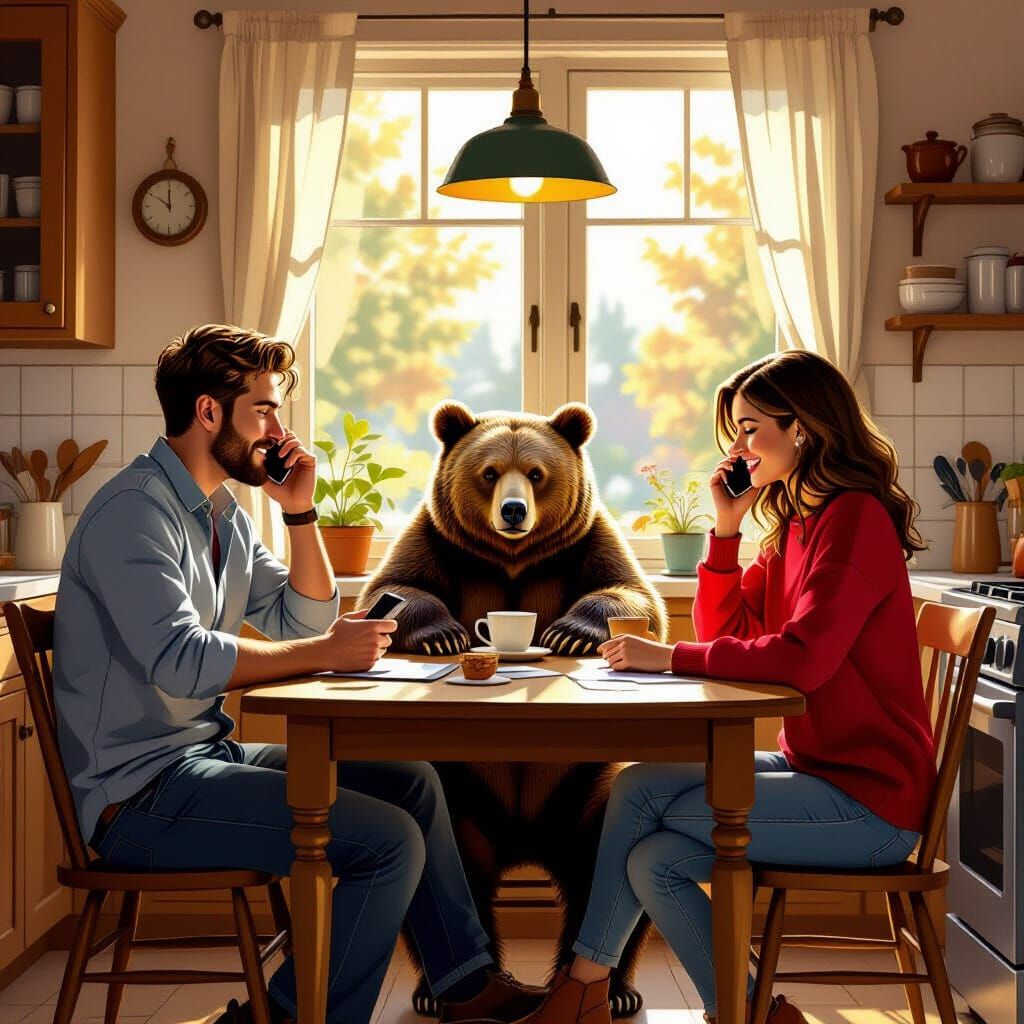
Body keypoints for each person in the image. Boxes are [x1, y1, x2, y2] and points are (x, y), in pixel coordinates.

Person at [52, 324, 545, 1024]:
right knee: (385, 841)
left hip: (202, 758)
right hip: (134, 798)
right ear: (208, 413)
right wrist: (328, 654)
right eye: (264, 409)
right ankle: (279, 1017)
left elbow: (303, 619)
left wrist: (299, 511)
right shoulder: (135, 515)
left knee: (411, 780)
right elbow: (184, 661)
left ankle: (462, 982)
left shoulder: (220, 512)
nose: (278, 430)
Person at [517, 350, 935, 1024]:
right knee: (641, 813)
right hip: (817, 770)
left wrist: (670, 658)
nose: (737, 448)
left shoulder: (854, 519)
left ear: (801, 428)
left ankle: (581, 990)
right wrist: (727, 528)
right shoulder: (797, 523)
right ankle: (746, 1011)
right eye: (735, 431)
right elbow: (731, 628)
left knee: (644, 820)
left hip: (871, 803)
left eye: (749, 428)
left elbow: (801, 661)